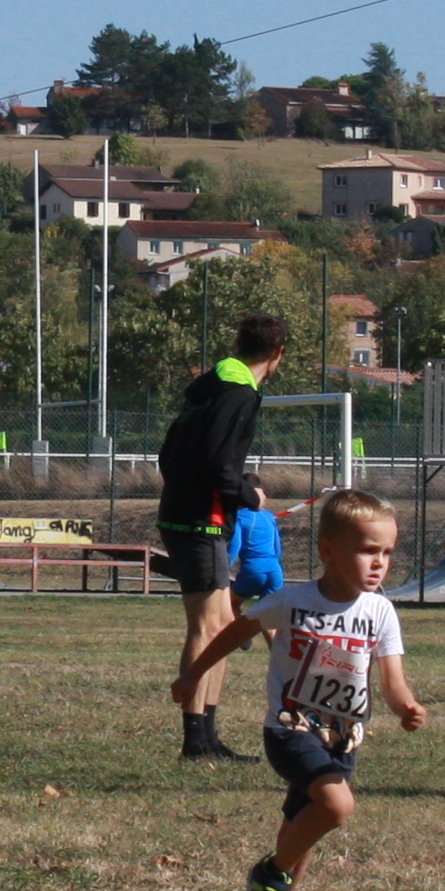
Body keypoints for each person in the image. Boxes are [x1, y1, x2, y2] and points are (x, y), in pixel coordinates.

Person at [178, 488, 425, 891]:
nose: (380, 563)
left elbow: (392, 680)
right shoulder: (292, 602)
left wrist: (407, 706)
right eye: (368, 550)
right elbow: (236, 630)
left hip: (342, 740)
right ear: (328, 550)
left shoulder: (379, 612)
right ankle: (269, 875)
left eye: (388, 552)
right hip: (291, 730)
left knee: (301, 838)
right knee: (335, 805)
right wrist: (192, 674)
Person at [157, 312, 287, 760]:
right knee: (206, 627)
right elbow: (218, 461)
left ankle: (208, 736)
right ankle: (195, 739)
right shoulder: (238, 393)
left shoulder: (212, 386)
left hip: (192, 512)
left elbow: (170, 452)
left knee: (223, 626)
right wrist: (247, 494)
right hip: (200, 519)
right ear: (277, 353)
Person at [226, 484, 288, 613]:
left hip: (254, 569)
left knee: (229, 603)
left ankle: (238, 633)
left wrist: (225, 568)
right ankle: (275, 635)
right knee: (266, 615)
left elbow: (235, 546)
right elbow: (277, 547)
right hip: (275, 570)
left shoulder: (239, 516)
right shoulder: (269, 516)